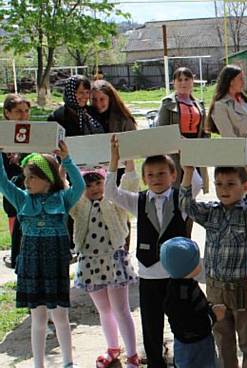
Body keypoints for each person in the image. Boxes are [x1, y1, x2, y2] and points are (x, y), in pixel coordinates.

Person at [105, 136, 202, 368]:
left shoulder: (182, 199)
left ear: (173, 175)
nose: (156, 179)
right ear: (144, 178)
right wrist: (114, 160)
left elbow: (196, 183)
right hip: (149, 275)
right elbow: (111, 194)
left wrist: (184, 149)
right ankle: (156, 363)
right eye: (150, 175)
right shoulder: (138, 200)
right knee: (151, 326)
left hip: (176, 276)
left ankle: (183, 361)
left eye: (162, 174)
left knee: (181, 322)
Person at [0, 142, 84, 368]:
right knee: (37, 319)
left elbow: (80, 185)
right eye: (25, 177)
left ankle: (68, 362)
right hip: (32, 265)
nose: (26, 182)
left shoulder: (63, 199)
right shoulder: (21, 199)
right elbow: (2, 182)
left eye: (31, 178)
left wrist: (66, 159)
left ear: (47, 178)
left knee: (60, 317)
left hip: (55, 264)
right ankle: (39, 364)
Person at [179, 159, 247, 368]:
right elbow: (186, 205)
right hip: (215, 288)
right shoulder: (212, 211)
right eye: (219, 184)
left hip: (241, 289)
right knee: (223, 339)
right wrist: (188, 173)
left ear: (242, 185)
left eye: (230, 184)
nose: (223, 189)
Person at [69, 165, 139, 368]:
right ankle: (112, 348)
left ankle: (133, 355)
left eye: (98, 183)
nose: (94, 188)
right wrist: (64, 167)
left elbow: (129, 186)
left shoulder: (114, 201)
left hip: (114, 261)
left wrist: (130, 166)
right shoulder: (78, 205)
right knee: (104, 310)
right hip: (89, 263)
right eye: (88, 185)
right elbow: (65, 189)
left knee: (121, 309)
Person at [160, 237, 226, 368]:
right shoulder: (181, 294)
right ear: (187, 267)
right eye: (197, 260)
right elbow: (189, 322)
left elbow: (198, 305)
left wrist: (210, 308)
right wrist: (213, 317)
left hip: (187, 343)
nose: (200, 262)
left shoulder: (183, 284)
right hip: (194, 344)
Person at [156, 67, 209, 190]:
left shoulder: (199, 104)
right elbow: (161, 130)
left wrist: (205, 144)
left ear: (192, 81)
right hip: (175, 150)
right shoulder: (167, 103)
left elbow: (205, 129)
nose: (183, 83)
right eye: (179, 80)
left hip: (196, 148)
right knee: (177, 185)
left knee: (196, 185)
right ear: (174, 82)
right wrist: (180, 142)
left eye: (187, 79)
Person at [207, 64, 247, 158]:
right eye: (240, 79)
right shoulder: (220, 106)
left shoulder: (243, 100)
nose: (244, 82)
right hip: (237, 156)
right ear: (231, 81)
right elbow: (229, 137)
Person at [2, 94, 30, 269]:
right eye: (18, 111)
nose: (23, 115)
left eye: (26, 111)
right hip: (10, 183)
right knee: (13, 214)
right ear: (7, 113)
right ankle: (17, 250)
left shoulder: (34, 131)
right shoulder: (3, 134)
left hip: (32, 184)